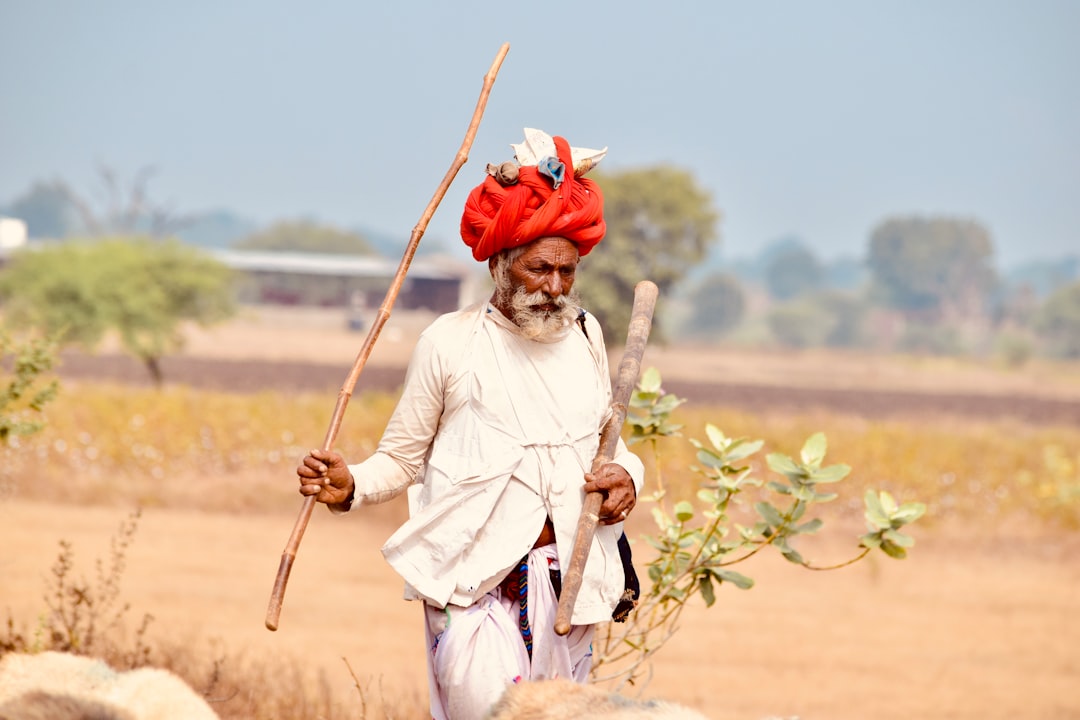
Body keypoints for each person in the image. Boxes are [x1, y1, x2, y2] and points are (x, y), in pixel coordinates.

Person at [296, 128, 645, 720]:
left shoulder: (585, 333)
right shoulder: (449, 342)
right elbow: (403, 460)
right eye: (539, 270)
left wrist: (625, 478)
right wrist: (351, 484)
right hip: (471, 584)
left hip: (566, 581)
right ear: (502, 264)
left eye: (567, 272)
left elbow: (606, 443)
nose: (555, 288)